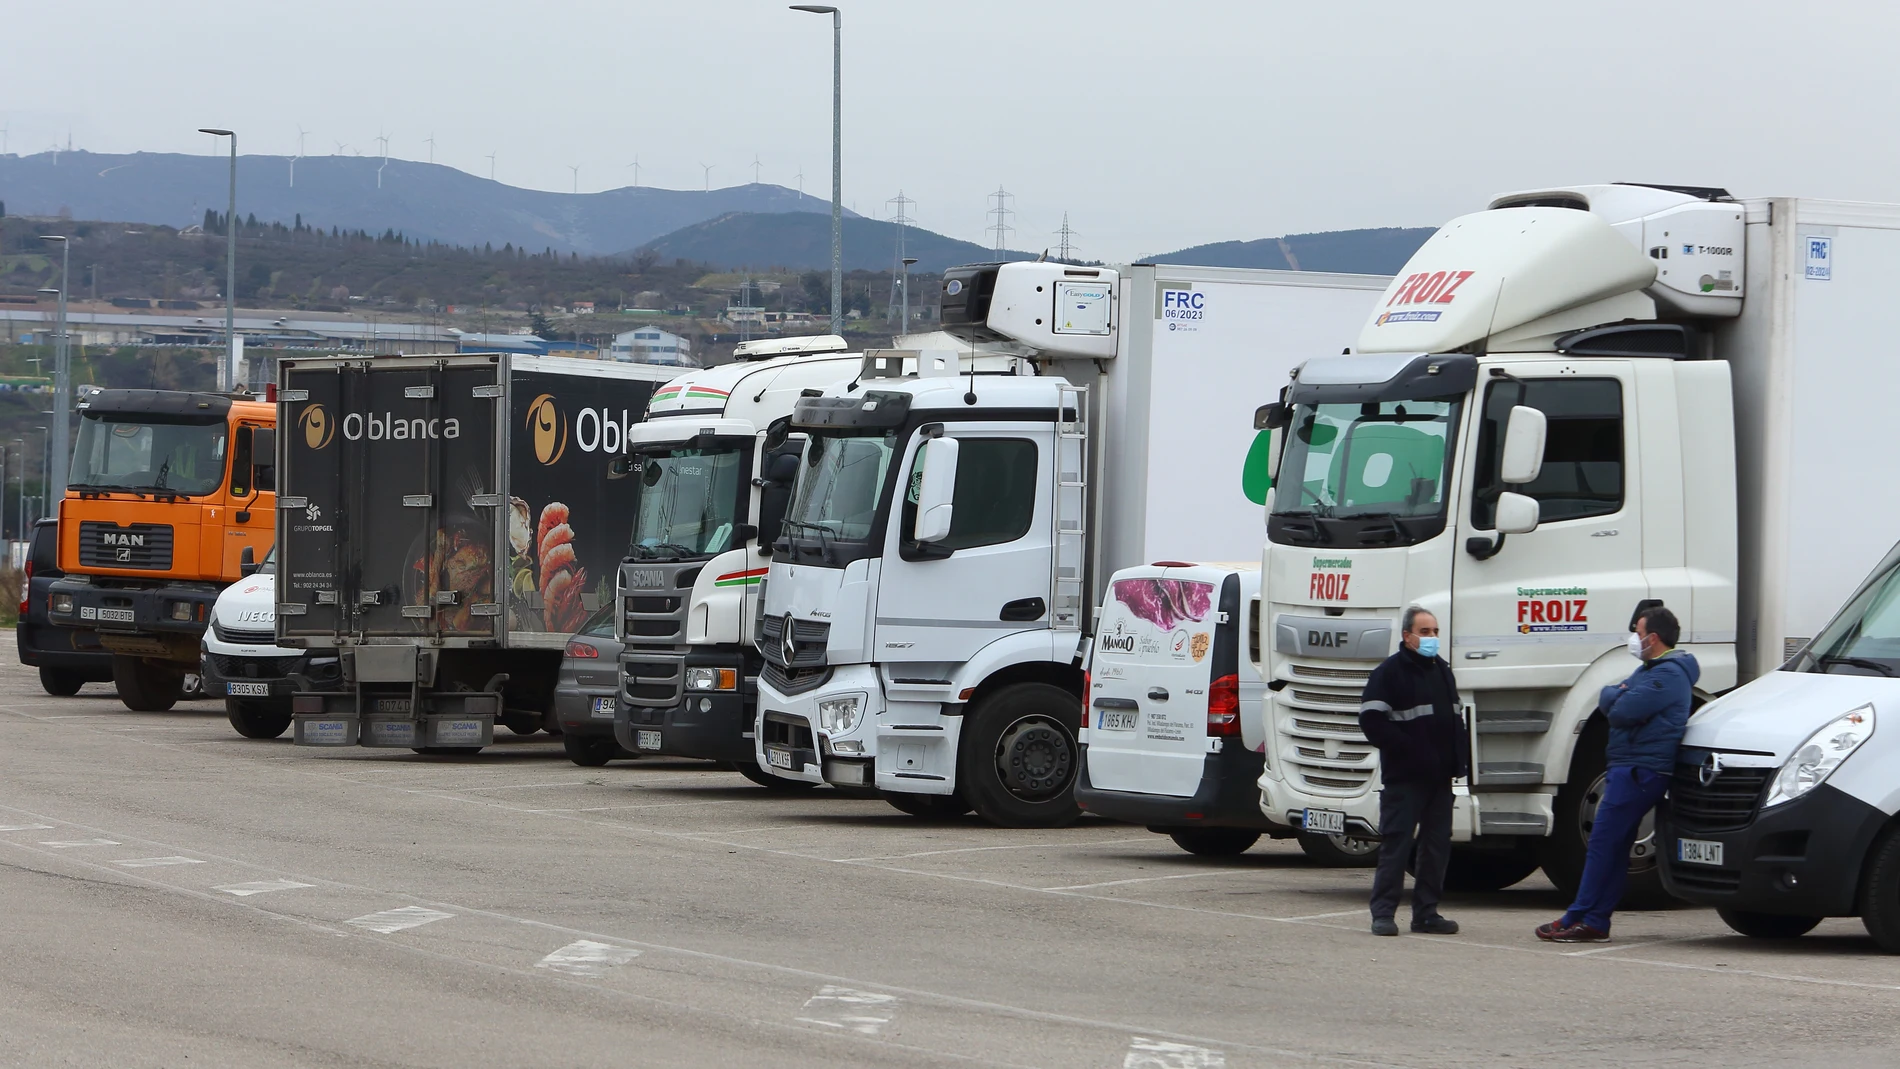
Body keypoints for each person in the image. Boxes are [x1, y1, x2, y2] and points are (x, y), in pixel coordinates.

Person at [1537, 606, 1699, 944]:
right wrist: (1617, 693)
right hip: (1631, 768)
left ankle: (1577, 916)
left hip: (1639, 771)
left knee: (1601, 845)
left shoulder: (1666, 674)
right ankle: (1594, 921)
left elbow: (1620, 708)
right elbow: (1614, 697)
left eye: (1637, 632)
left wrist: (1617, 693)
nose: (1633, 638)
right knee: (1613, 847)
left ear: (1653, 638)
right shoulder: (1652, 671)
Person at [1359, 606, 1469, 937]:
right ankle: (1383, 914)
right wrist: (1411, 751)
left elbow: (1454, 720)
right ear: (1407, 637)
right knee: (1396, 845)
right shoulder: (1389, 673)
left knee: (1436, 847)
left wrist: (1458, 761)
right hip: (1405, 779)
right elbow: (1371, 722)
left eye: (1435, 632)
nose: (1432, 638)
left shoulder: (1442, 671)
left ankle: (1426, 913)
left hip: (1439, 780)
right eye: (1425, 632)